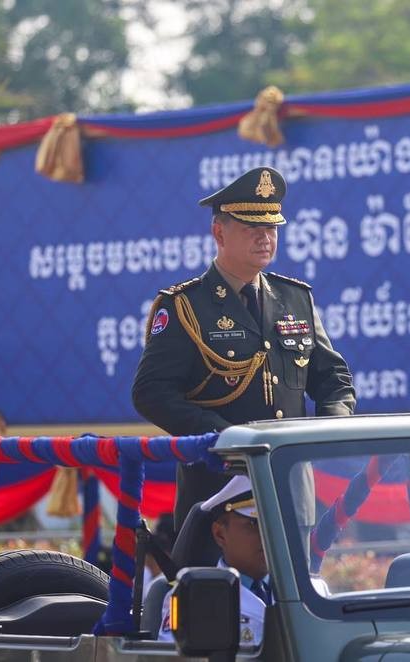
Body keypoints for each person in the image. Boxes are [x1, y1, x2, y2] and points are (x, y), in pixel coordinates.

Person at [132, 166, 356, 528]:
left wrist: (328, 431)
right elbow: (151, 392)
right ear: (219, 232)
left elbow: (333, 378)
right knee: (218, 586)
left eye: (271, 228)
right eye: (252, 228)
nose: (265, 238)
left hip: (289, 486)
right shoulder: (185, 305)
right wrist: (224, 437)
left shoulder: (295, 298)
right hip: (219, 490)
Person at [157, 476, 271, 646]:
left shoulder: (310, 591)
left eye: (272, 524)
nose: (267, 535)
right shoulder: (192, 601)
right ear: (220, 534)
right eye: (254, 524)